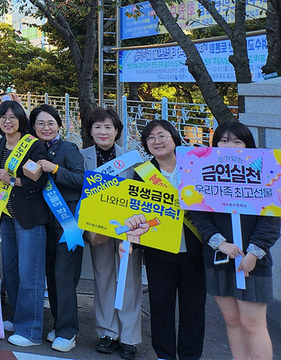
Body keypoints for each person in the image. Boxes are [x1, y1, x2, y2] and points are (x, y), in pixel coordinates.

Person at [190, 120, 279, 360]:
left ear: (248, 145)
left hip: (252, 261)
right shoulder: (203, 172)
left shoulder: (265, 173)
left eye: (237, 141)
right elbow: (197, 214)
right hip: (219, 258)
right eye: (224, 140)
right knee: (232, 321)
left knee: (253, 324)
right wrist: (221, 244)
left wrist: (253, 254)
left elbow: (272, 219)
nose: (229, 146)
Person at [135, 119, 205, 360]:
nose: (157, 141)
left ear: (174, 138)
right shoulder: (142, 174)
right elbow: (135, 211)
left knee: (193, 308)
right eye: (151, 138)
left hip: (196, 250)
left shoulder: (195, 167)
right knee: (161, 306)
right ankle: (164, 354)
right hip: (159, 251)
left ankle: (190, 355)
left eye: (162, 135)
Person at [80, 106, 142, 360]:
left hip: (128, 230)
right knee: (103, 277)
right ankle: (107, 332)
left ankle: (128, 336)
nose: (103, 131)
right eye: (97, 126)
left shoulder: (132, 158)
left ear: (117, 131)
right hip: (97, 231)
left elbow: (141, 194)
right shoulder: (80, 156)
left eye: (108, 127)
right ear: (90, 131)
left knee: (129, 280)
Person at [0, 100, 48, 348]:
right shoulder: (1, 144)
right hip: (8, 217)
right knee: (11, 272)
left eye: (13, 117)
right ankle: (17, 318)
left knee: (30, 275)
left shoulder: (33, 145)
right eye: (4, 117)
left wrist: (12, 179)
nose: (8, 121)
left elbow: (41, 182)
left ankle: (31, 331)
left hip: (29, 218)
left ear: (21, 120)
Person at [30, 104, 83, 353]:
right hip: (45, 222)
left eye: (50, 123)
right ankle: (59, 323)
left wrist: (56, 169)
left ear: (59, 126)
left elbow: (82, 180)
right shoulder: (32, 150)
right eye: (41, 123)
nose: (46, 128)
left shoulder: (68, 149)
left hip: (68, 222)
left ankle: (68, 331)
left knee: (64, 276)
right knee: (52, 276)